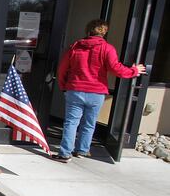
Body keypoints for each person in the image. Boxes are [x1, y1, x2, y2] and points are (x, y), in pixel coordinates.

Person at [53, 19, 146, 162]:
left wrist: (63, 86)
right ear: (104, 32)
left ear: (88, 31)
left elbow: (62, 70)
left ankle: (65, 153)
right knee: (89, 124)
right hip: (96, 93)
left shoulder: (75, 47)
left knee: (71, 123)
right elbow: (116, 69)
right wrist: (134, 70)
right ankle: (82, 150)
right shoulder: (108, 49)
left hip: (75, 89)